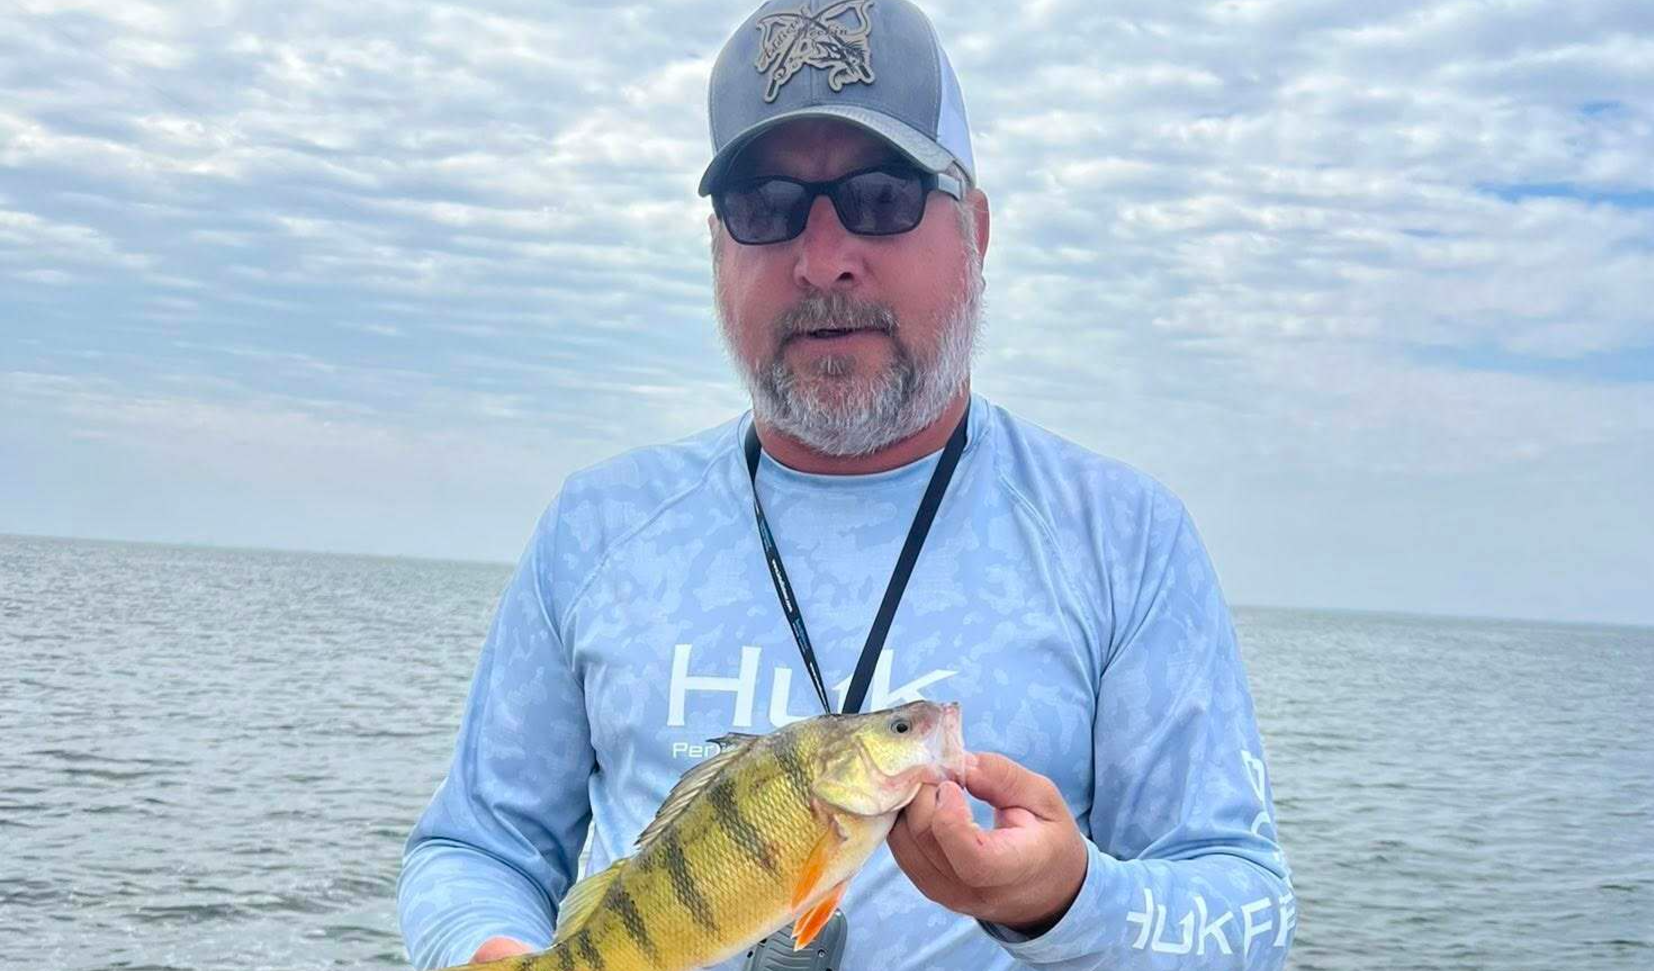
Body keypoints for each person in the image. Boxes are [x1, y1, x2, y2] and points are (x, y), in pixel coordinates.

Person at [397, 0, 1297, 968]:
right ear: (718, 250)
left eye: (879, 196)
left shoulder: (1125, 538)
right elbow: (474, 846)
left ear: (976, 231)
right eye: (766, 208)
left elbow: (1247, 909)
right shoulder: (594, 526)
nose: (823, 261)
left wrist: (1066, 900)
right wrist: (481, 947)